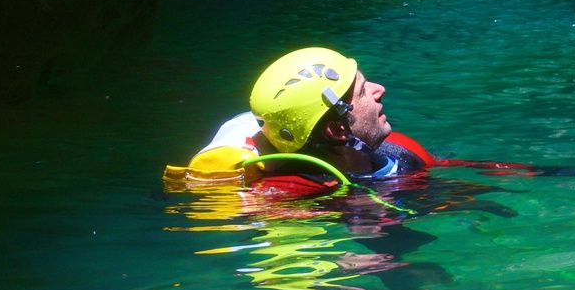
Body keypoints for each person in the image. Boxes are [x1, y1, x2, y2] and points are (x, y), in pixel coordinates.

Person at [168, 46, 440, 199]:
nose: (379, 89)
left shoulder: (402, 150)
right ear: (337, 130)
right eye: (363, 91)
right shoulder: (293, 194)